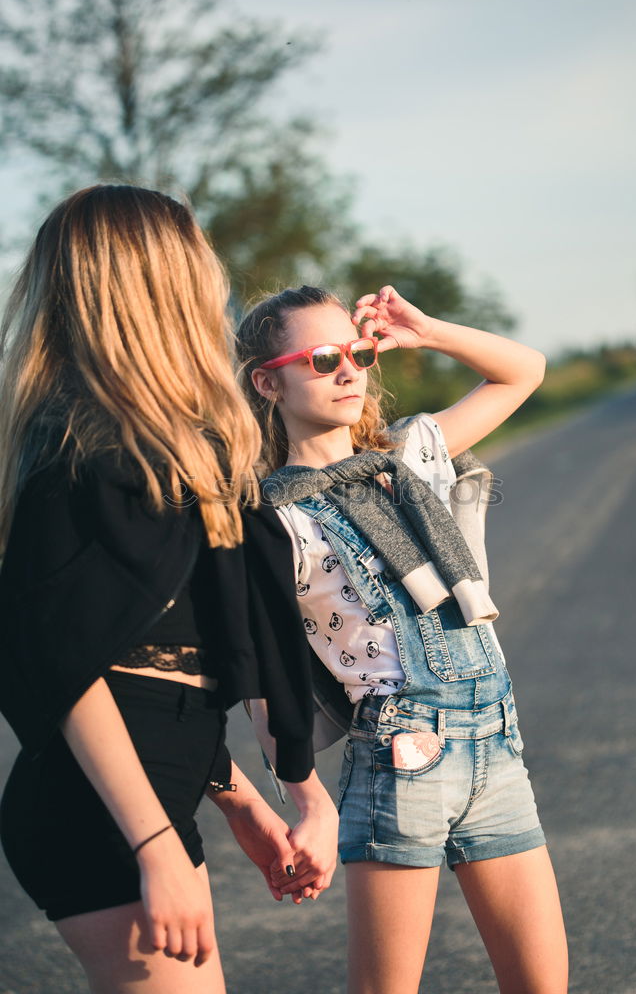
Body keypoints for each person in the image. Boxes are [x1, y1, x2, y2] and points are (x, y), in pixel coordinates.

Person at [0, 187, 338, 994]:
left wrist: (246, 799)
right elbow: (70, 671)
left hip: (154, 793)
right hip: (101, 816)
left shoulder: (177, 451)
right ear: (158, 279)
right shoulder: (77, 456)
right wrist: (154, 844)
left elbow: (172, 662)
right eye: (195, 253)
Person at [237, 284, 568, 994]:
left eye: (356, 353)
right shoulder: (266, 517)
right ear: (268, 381)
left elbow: (522, 370)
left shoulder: (409, 454)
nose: (349, 370)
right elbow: (267, 674)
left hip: (496, 746)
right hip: (398, 760)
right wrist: (301, 802)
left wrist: (425, 331)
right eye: (322, 358)